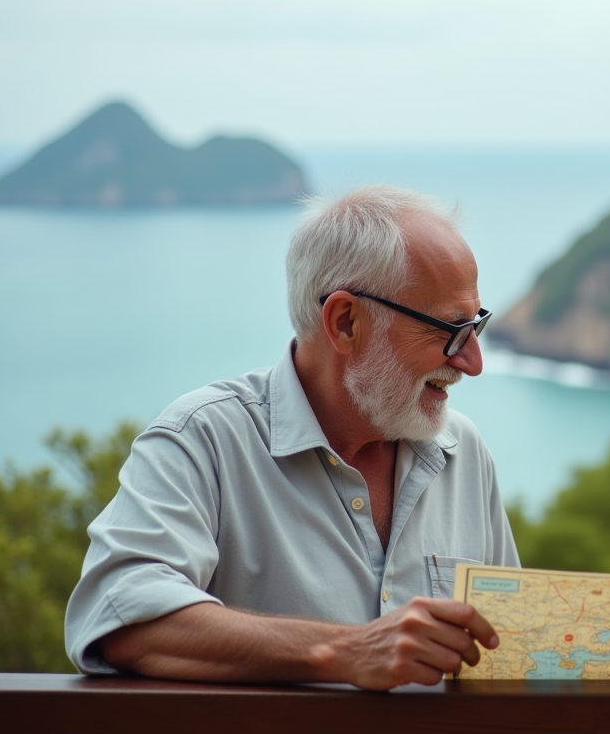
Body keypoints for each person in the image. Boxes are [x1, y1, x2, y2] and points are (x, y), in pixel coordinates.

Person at [65, 185, 519, 689]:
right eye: (449, 330)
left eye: (476, 324)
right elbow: (124, 617)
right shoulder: (204, 440)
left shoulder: (465, 451)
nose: (472, 362)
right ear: (345, 322)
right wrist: (346, 651)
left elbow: (511, 654)